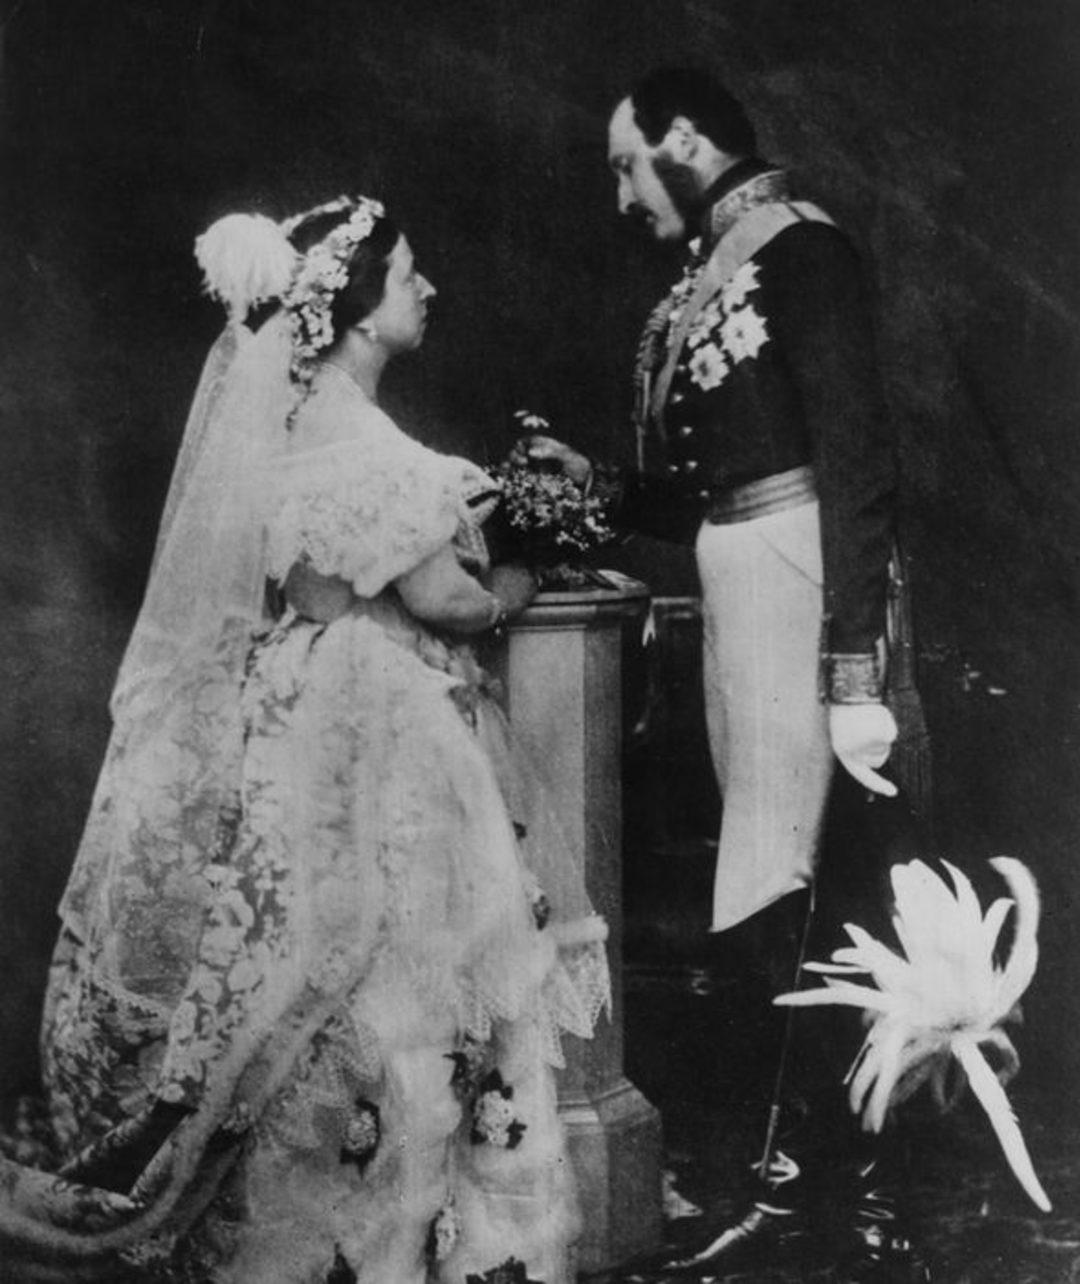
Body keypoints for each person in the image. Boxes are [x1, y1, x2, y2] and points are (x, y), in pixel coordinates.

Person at [1, 195, 609, 1283]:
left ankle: (328, 1232)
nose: (427, 290)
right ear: (360, 310)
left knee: (323, 980)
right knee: (412, 978)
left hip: (296, 718)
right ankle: (400, 1240)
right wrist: (524, 579)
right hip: (385, 724)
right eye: (410, 274)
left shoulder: (285, 421)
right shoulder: (364, 444)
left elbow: (324, 581)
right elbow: (448, 602)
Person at [514, 68, 931, 1282]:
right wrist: (597, 487)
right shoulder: (711, 269)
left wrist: (852, 665)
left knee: (795, 880)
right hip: (741, 577)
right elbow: (712, 488)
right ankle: (812, 1183)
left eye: (627, 164)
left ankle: (819, 1190)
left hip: (801, 583)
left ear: (686, 140)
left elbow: (857, 464)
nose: (622, 195)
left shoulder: (801, 252)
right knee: (767, 880)